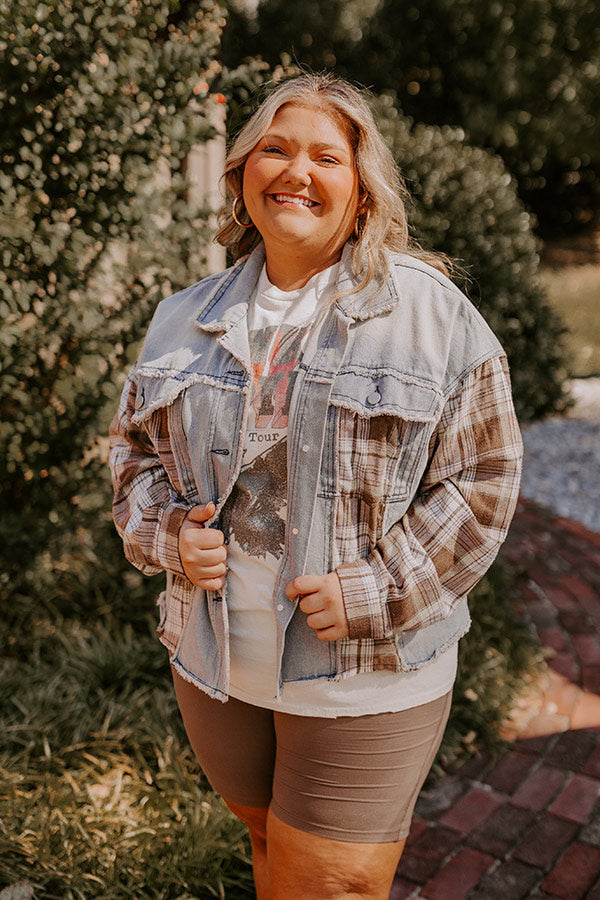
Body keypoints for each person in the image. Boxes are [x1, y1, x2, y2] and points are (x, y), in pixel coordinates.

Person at [109, 72, 523, 900]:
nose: (297, 170)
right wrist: (167, 538)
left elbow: (485, 479)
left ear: (361, 192)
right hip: (217, 659)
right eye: (275, 148)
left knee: (331, 885)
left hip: (365, 670)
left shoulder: (433, 317)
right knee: (266, 840)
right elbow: (131, 459)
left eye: (325, 156)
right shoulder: (182, 319)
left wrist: (378, 587)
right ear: (244, 178)